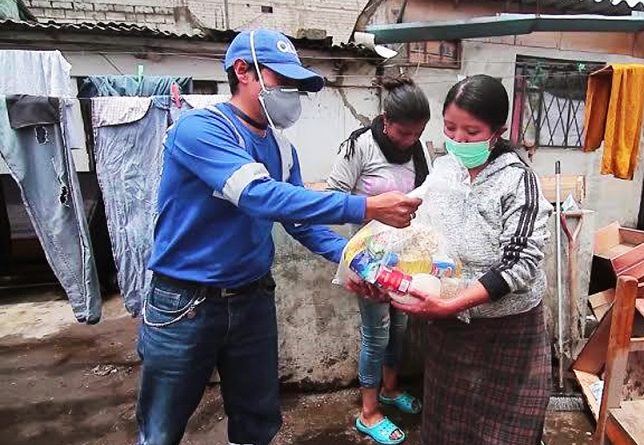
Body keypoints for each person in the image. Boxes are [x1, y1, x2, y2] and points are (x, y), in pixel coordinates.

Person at [137, 28, 421, 445]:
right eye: (282, 81)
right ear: (242, 71)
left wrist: (356, 261)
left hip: (252, 298)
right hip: (186, 303)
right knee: (161, 429)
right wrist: (365, 207)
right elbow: (258, 196)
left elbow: (300, 222)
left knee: (257, 421)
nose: (291, 94)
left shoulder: (283, 148)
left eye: (296, 86)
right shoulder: (200, 130)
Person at [392, 74, 554, 445]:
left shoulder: (518, 182)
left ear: (497, 131)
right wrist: (376, 254)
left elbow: (520, 263)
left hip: (508, 330)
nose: (459, 140)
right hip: (451, 328)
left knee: (506, 429)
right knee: (448, 424)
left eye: (472, 132)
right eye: (450, 128)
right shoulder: (444, 169)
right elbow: (418, 219)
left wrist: (451, 303)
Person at [327, 77, 430, 445]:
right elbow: (333, 199)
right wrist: (373, 211)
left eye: (417, 133)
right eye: (404, 133)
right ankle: (368, 412)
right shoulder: (360, 146)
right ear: (386, 121)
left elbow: (425, 198)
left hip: (405, 258)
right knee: (377, 334)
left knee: (400, 328)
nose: (409, 141)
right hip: (368, 260)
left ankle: (389, 389)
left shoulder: (419, 151)